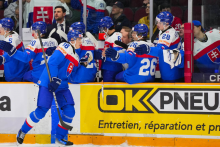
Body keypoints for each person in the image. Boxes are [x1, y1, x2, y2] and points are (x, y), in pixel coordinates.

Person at [16, 30, 80, 146]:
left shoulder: (76, 55)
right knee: (41, 111)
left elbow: (68, 70)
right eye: (79, 39)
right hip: (48, 81)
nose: (81, 41)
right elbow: (53, 62)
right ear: (73, 40)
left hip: (62, 86)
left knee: (70, 110)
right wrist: (54, 78)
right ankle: (22, 131)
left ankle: (60, 136)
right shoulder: (65, 46)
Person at [135, 11, 184, 82]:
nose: (157, 24)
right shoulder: (164, 29)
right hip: (170, 66)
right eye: (157, 22)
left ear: (166, 23)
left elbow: (160, 51)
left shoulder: (168, 34)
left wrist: (148, 49)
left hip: (171, 70)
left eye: (159, 23)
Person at [0, 18, 30, 82]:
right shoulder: (14, 34)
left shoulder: (11, 39)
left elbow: (10, 52)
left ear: (6, 29)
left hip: (15, 74)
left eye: (1, 27)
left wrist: (3, 59)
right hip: (19, 70)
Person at [98, 16, 123, 82]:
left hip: (111, 68)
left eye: (102, 28)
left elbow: (117, 53)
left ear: (106, 28)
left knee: (109, 89)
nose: (102, 30)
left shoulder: (116, 36)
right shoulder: (111, 37)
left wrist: (103, 56)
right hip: (109, 67)